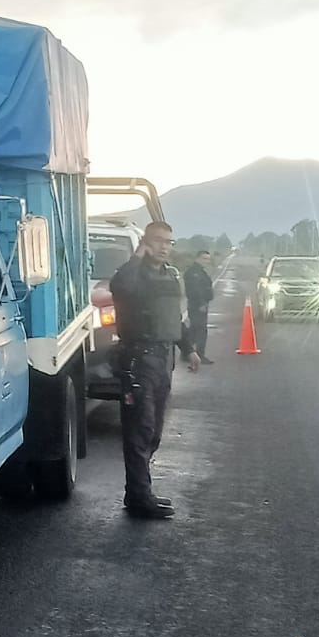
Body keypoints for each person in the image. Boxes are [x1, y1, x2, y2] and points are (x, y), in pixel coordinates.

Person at [109, 221, 195, 520]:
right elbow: (120, 288)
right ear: (146, 242)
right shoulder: (132, 274)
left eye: (169, 242)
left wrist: (190, 348)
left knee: (154, 430)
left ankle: (138, 492)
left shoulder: (171, 275)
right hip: (139, 360)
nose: (164, 247)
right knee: (140, 428)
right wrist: (136, 257)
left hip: (164, 359)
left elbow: (176, 318)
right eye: (158, 241)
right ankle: (139, 496)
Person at [184, 249, 216, 365]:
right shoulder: (194, 272)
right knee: (201, 331)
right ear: (197, 258)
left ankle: (186, 354)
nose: (206, 261)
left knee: (193, 330)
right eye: (204, 258)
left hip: (199, 304)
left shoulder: (199, 271)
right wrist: (201, 303)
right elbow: (195, 290)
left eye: (208, 259)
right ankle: (200, 355)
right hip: (197, 305)